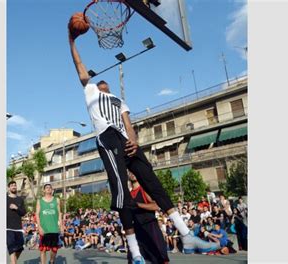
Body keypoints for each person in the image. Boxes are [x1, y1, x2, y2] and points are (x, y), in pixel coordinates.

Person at [69, 27, 216, 258]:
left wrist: (134, 141)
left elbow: (128, 123)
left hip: (127, 141)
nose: (103, 85)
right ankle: (136, 253)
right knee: (121, 193)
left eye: (106, 85)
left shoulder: (119, 100)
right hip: (107, 137)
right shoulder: (90, 91)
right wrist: (72, 41)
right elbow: (79, 66)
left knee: (153, 183)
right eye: (101, 84)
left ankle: (186, 234)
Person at [127, 172, 169, 264]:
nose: (132, 173)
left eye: (134, 171)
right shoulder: (129, 195)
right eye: (130, 172)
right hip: (137, 229)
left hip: (150, 227)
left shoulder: (143, 189)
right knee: (133, 259)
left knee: (160, 258)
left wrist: (138, 205)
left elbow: (156, 206)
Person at [36, 184, 63, 264]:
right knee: (43, 249)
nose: (48, 189)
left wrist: (61, 226)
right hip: (44, 229)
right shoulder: (39, 201)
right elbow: (37, 214)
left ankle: (52, 261)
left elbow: (59, 213)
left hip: (54, 228)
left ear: (52, 190)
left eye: (50, 188)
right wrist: (39, 227)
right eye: (46, 188)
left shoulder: (56, 200)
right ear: (43, 190)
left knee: (54, 249)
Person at [7, 181, 27, 264]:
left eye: (15, 185)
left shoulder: (20, 199)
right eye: (12, 185)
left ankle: (13, 262)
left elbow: (23, 213)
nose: (14, 187)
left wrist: (16, 208)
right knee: (12, 249)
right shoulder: (5, 198)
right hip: (7, 228)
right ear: (9, 188)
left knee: (20, 248)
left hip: (18, 228)